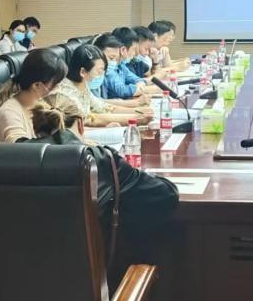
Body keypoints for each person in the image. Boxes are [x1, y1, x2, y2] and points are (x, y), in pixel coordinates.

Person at [27, 98, 179, 289]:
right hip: (90, 294)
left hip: (20, 290)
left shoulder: (12, 159)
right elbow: (166, 195)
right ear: (81, 124)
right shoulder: (98, 158)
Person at [46, 44, 152, 128]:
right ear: (83, 71)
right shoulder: (65, 93)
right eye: (99, 71)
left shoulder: (81, 84)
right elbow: (92, 120)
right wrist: (136, 118)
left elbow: (103, 107)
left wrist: (138, 111)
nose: (102, 75)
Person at [0, 48, 66, 142]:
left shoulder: (38, 103)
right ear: (37, 85)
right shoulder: (10, 112)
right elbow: (22, 148)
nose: (58, 88)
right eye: (54, 84)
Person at [96, 32, 150, 102]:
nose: (114, 62)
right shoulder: (106, 72)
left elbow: (137, 79)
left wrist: (141, 84)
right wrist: (136, 102)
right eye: (111, 58)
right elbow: (122, 91)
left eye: (115, 59)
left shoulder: (120, 66)